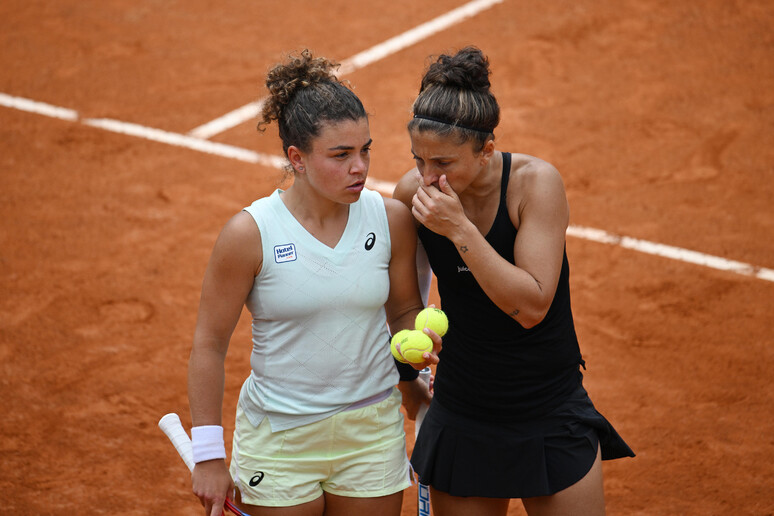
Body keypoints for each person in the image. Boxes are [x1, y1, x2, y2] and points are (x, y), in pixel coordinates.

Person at [187, 49, 437, 516]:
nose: (359, 167)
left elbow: (403, 310)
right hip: (280, 436)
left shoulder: (390, 220)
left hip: (371, 431)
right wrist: (208, 454)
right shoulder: (250, 233)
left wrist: (413, 359)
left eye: (365, 149)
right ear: (296, 158)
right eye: (340, 155)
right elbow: (208, 344)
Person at [394, 46, 634, 516]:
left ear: (486, 150)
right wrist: (410, 382)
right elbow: (404, 304)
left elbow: (531, 306)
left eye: (443, 163)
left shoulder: (535, 184)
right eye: (418, 160)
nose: (427, 176)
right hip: (463, 409)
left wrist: (459, 229)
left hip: (548, 406)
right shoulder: (412, 195)